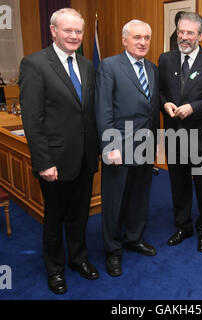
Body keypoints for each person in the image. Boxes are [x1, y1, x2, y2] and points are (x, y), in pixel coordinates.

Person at [19, 8, 100, 294]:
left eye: (79, 31)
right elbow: (32, 119)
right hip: (54, 160)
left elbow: (88, 113)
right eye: (68, 31)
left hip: (85, 157)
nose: (75, 36)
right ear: (53, 31)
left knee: (79, 215)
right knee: (54, 218)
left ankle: (79, 259)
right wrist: (44, 162)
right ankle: (55, 269)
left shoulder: (88, 65)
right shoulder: (34, 64)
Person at [95, 20, 160, 277]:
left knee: (139, 196)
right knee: (114, 200)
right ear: (125, 40)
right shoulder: (110, 66)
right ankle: (112, 250)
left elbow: (151, 110)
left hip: (145, 146)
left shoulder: (153, 69)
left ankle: (133, 238)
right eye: (137, 37)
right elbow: (103, 109)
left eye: (146, 37)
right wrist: (109, 146)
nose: (143, 42)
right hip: (118, 147)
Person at [158, 12, 202, 253]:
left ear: (200, 35)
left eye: (190, 33)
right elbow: (161, 92)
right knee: (178, 184)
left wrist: (193, 108)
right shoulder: (165, 59)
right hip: (174, 134)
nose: (184, 37)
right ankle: (183, 226)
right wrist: (164, 104)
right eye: (181, 32)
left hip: (200, 136)